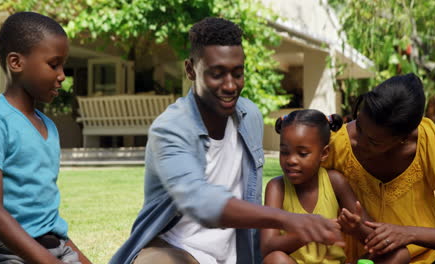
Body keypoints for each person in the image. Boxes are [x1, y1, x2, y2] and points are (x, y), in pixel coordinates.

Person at [110, 17, 343, 264]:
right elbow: (201, 202)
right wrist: (285, 218)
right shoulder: (170, 129)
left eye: (238, 73)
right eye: (217, 74)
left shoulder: (249, 115)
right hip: (178, 250)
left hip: (237, 255)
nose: (231, 85)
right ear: (191, 69)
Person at [322, 73, 435, 263]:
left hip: (426, 256)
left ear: (402, 138)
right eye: (359, 125)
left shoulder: (433, 145)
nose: (357, 141)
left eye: (373, 141)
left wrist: (408, 234)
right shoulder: (335, 145)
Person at [0, 12, 92, 264]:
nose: (62, 76)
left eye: (63, 66)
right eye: (53, 64)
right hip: (8, 254)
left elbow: (47, 220)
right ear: (16, 62)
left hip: (57, 249)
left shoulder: (48, 126)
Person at [261, 109, 409, 264]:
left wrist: (356, 228)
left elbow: (372, 237)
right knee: (275, 259)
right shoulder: (276, 188)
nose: (291, 160)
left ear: (324, 153)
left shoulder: (334, 181)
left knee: (398, 253)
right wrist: (310, 234)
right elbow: (267, 247)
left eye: (302, 154)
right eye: (284, 152)